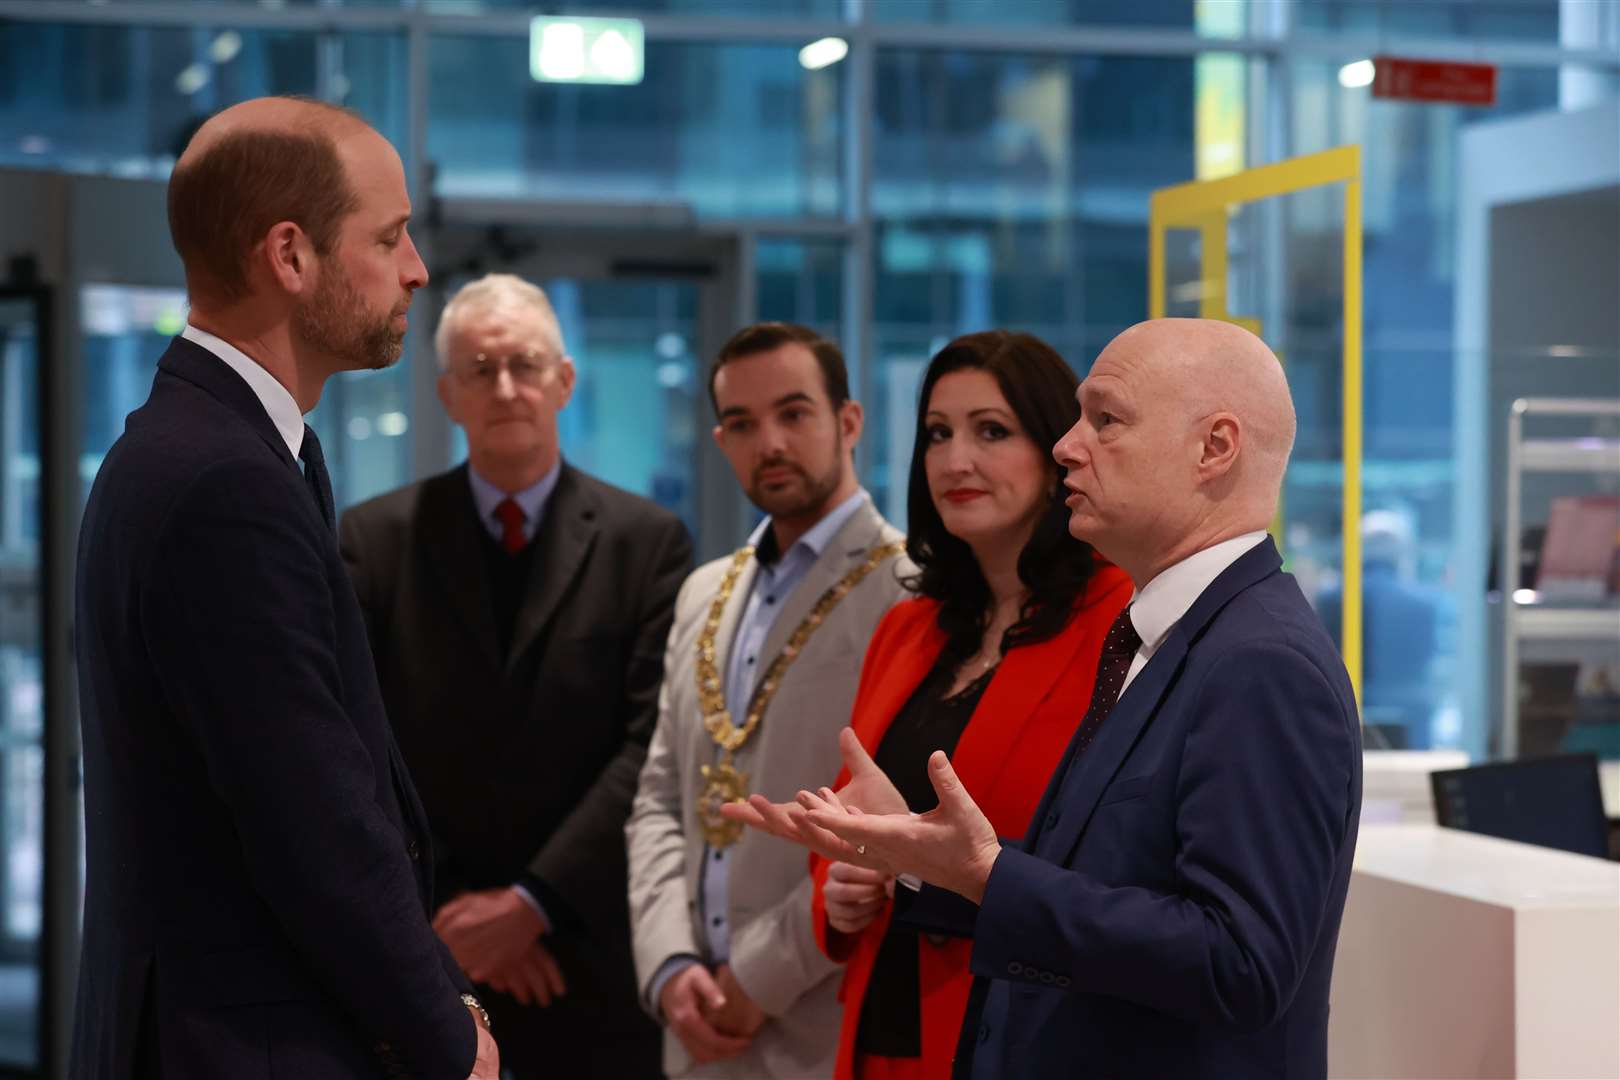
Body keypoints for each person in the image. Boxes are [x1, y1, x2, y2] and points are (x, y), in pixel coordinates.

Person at [756, 318, 1363, 1079]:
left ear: (1215, 448)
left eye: (1105, 419)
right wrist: (924, 856)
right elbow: (1103, 887)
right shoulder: (1169, 636)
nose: (1069, 446)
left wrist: (986, 875)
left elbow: (1241, 963)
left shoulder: (1259, 661)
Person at [73, 97, 497, 1078]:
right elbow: (313, 822)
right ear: (290, 256)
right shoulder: (223, 478)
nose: (418, 268)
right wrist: (452, 1041)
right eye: (389, 236)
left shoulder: (217, 446)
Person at [339, 274, 691, 1077]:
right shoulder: (373, 541)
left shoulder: (649, 543)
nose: (505, 387)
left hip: (590, 957)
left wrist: (534, 906)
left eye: (525, 364)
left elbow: (651, 747)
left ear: (564, 382)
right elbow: (357, 741)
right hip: (423, 955)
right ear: (445, 395)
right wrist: (459, 924)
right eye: (479, 369)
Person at [802, 332, 1131, 1079]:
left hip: (1022, 1030)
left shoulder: (1121, 622)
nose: (956, 461)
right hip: (883, 1017)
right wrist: (842, 884)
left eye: (992, 431)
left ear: (1059, 455)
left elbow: (1106, 868)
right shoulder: (909, 626)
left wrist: (916, 863)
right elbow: (866, 811)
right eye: (937, 434)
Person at [625, 322, 912, 1078]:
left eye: (794, 414)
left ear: (849, 421)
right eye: (744, 425)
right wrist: (666, 963)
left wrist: (759, 976)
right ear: (719, 441)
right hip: (691, 1021)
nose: (770, 443)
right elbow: (660, 797)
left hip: (821, 1018)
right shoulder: (702, 592)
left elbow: (886, 822)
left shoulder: (912, 590)